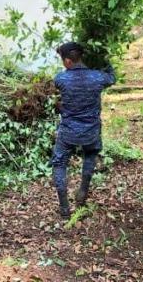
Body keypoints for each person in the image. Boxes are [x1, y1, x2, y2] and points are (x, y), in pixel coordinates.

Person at [51, 42, 116, 219]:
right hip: (91, 131)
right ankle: (82, 193)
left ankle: (64, 208)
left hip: (68, 132)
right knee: (90, 156)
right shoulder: (97, 77)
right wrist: (103, 60)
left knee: (59, 163)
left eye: (62, 60)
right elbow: (112, 77)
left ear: (68, 61)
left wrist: (60, 106)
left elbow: (58, 95)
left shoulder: (60, 79)